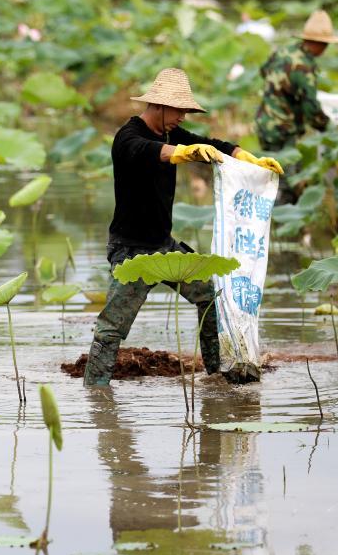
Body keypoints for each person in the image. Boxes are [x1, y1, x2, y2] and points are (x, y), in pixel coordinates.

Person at [83, 68, 281, 388]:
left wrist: (246, 157)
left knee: (210, 296)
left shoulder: (170, 134)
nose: (183, 117)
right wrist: (180, 153)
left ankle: (215, 375)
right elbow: (148, 152)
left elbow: (209, 144)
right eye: (179, 110)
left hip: (164, 247)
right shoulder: (128, 137)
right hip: (133, 251)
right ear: (160, 106)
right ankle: (95, 394)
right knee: (112, 328)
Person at [255, 9, 338, 203]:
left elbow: (263, 71)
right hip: (284, 131)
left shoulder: (282, 52)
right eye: (326, 44)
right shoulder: (304, 67)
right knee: (288, 185)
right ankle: (282, 228)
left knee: (271, 179)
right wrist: (331, 129)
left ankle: (272, 224)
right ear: (319, 44)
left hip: (263, 123)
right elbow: (311, 108)